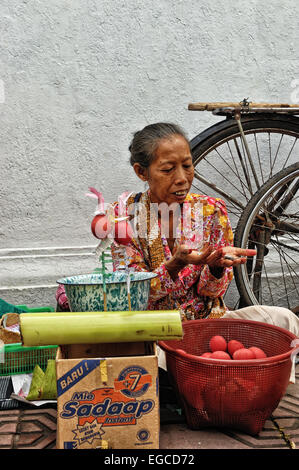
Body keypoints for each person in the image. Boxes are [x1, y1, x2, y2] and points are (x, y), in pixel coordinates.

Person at [56, 122, 299, 380]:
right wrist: (174, 265)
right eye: (168, 169)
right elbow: (131, 295)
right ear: (142, 172)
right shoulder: (122, 217)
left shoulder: (211, 211)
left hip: (209, 326)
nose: (182, 178)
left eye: (187, 165)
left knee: (284, 321)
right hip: (155, 333)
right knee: (153, 362)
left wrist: (216, 267)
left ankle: (221, 378)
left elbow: (211, 293)